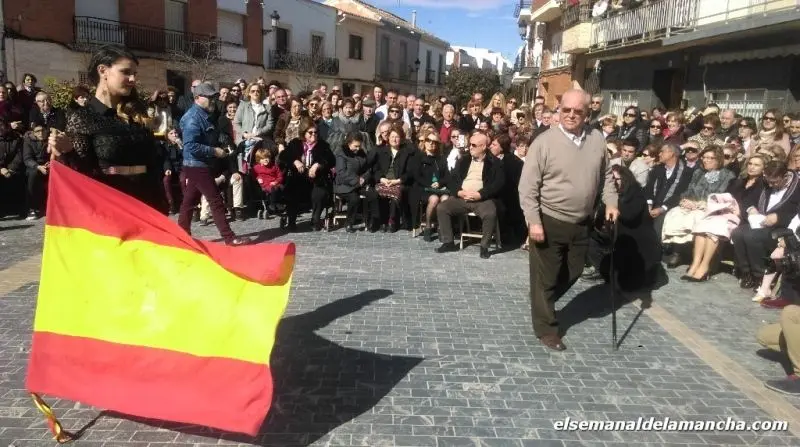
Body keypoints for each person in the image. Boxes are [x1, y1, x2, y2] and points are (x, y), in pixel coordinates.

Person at [518, 88, 620, 351]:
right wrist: (533, 221)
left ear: (588, 114)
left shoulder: (596, 139)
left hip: (582, 222)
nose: (571, 115)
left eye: (578, 111)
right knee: (546, 276)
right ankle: (547, 328)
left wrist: (611, 202)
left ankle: (542, 300)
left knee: (574, 271)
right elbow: (527, 187)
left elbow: (606, 175)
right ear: (559, 109)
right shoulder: (543, 142)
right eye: (566, 110)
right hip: (549, 219)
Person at [48, 47, 167, 213]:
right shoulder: (82, 117)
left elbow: (152, 164)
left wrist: (161, 204)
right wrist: (68, 151)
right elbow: (81, 175)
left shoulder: (137, 113)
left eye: (134, 74)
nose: (132, 79)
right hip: (110, 209)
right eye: (126, 72)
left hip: (148, 205)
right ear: (103, 71)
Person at [177, 82, 250, 246]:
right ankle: (229, 238)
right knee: (215, 200)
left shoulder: (204, 114)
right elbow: (191, 146)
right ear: (197, 98)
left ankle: (182, 235)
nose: (212, 100)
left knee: (189, 200)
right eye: (209, 97)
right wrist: (214, 151)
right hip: (197, 165)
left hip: (198, 164)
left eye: (213, 97)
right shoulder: (192, 118)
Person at [435, 132, 505, 259]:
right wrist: (459, 192)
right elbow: (451, 179)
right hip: (462, 197)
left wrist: (480, 194)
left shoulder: (495, 163)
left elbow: (498, 184)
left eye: (474, 145)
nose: (470, 147)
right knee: (442, 208)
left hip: (482, 199)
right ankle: (448, 242)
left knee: (490, 213)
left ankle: (484, 246)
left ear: (483, 146)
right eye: (470, 144)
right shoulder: (464, 160)